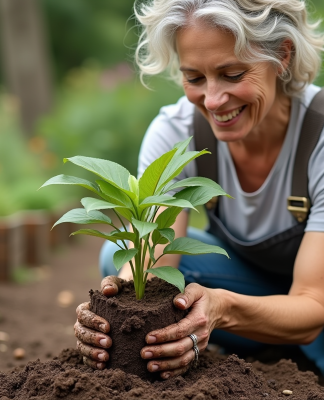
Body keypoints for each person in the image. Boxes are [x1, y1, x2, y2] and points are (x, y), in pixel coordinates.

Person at [74, 0, 324, 380]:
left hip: (315, 310)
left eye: (233, 73)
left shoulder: (318, 134)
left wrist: (222, 308)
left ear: (282, 56)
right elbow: (154, 261)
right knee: (118, 258)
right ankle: (265, 343)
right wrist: (111, 309)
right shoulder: (176, 132)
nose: (212, 100)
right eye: (194, 78)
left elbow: (313, 304)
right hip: (255, 288)